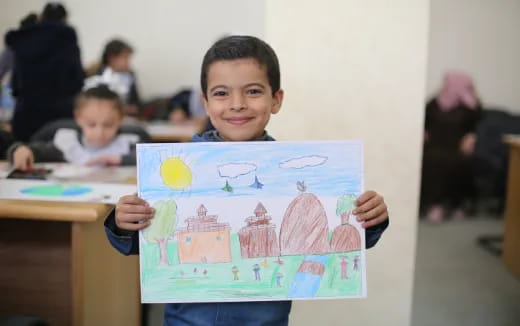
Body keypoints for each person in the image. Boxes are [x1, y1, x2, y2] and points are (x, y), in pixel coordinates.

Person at [105, 35, 390, 325]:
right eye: (221, 93)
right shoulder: (175, 173)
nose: (237, 104)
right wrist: (122, 222)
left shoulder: (293, 175)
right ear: (205, 102)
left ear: (276, 100)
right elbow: (138, 241)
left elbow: (336, 237)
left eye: (253, 91)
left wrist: (370, 219)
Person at [7, 85, 146, 170]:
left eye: (108, 125)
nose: (100, 132)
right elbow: (37, 151)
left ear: (121, 119)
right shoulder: (68, 143)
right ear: (78, 118)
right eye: (92, 124)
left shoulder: (130, 142)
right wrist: (20, 149)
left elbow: (153, 161)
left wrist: (119, 160)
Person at [5, 2, 84, 142]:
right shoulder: (67, 38)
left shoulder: (23, 38)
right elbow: (77, 78)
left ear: (42, 16)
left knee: (24, 155)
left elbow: (15, 81)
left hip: (26, 111)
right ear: (64, 18)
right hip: (59, 111)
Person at [421, 71, 482, 223]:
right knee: (433, 160)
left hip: (457, 147)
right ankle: (434, 205)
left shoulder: (471, 106)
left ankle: (457, 205)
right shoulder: (435, 103)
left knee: (459, 163)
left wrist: (472, 136)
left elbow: (478, 127)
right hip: (435, 145)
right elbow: (423, 120)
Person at [86, 39, 141, 116]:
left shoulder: (130, 75)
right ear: (112, 58)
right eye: (125, 57)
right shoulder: (99, 76)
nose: (128, 62)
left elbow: (135, 101)